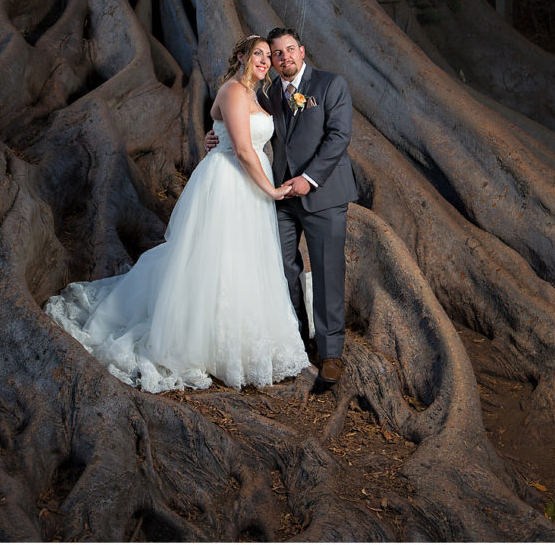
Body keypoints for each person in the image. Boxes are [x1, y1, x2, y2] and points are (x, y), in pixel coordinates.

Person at [45, 35, 309, 394]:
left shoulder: (255, 95)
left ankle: (233, 337)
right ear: (242, 57)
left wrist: (212, 138)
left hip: (247, 186)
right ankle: (199, 340)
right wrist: (272, 189)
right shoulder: (233, 90)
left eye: (268, 56)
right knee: (211, 259)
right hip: (234, 183)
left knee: (241, 261)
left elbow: (220, 123)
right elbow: (245, 150)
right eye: (258, 54)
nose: (264, 61)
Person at [206, 27, 357, 387]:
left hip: (323, 194)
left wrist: (310, 179)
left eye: (290, 50)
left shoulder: (330, 85)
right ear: (271, 61)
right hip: (279, 196)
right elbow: (241, 122)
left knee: (326, 270)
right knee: (283, 271)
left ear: (302, 51)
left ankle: (331, 352)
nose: (284, 57)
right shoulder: (269, 93)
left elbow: (338, 137)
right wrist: (215, 133)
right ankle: (298, 340)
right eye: (277, 53)